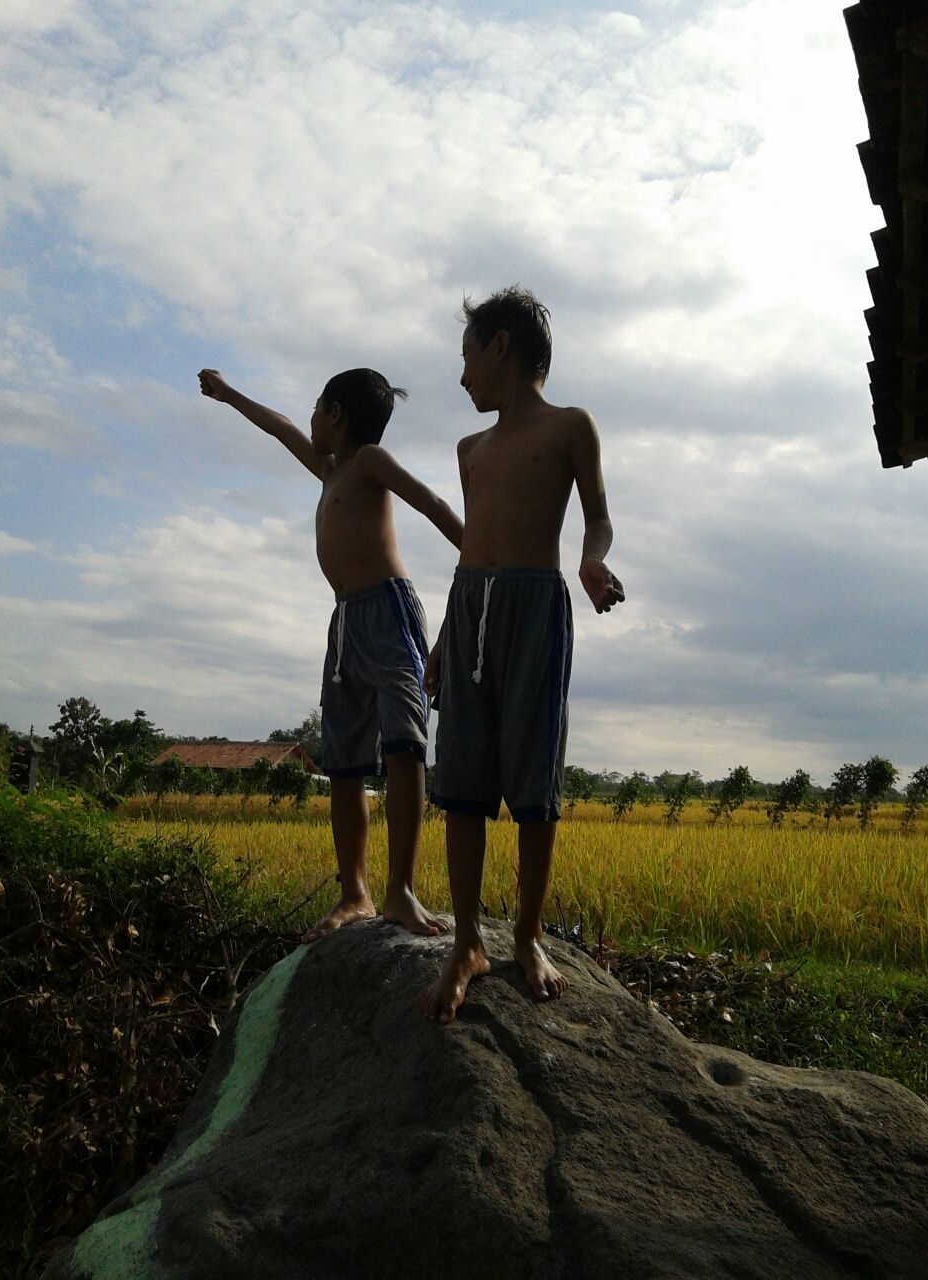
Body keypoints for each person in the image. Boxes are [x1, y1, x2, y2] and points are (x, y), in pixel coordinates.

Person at [198, 366, 463, 941]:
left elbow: (433, 502)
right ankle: (355, 893)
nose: (311, 417)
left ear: (336, 414)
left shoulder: (367, 463)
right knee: (343, 763)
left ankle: (401, 891)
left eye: (319, 406)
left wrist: (479, 555)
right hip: (345, 622)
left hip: (390, 614)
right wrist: (229, 393)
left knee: (403, 750)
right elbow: (281, 428)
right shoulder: (329, 470)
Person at [419, 286, 624, 1024]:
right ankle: (468, 941)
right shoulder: (469, 450)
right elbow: (470, 546)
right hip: (471, 602)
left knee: (534, 780)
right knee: (463, 776)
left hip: (536, 604)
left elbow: (597, 518)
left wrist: (590, 562)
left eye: (467, 355)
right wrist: (445, 635)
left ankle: (528, 936)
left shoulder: (572, 425)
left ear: (500, 346)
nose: (463, 374)